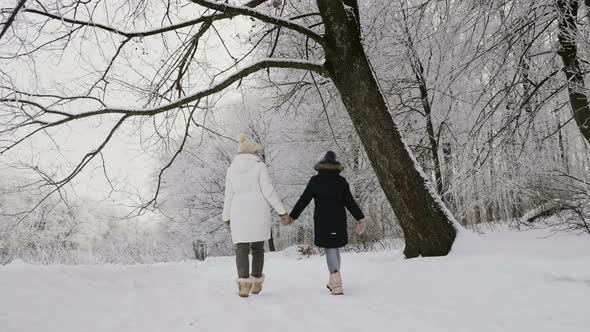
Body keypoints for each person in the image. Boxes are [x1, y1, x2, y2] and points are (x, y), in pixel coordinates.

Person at [288, 151, 368, 295]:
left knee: (330, 248)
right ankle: (333, 281)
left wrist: (293, 216)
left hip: (323, 221)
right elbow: (350, 202)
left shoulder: (315, 181)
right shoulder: (341, 181)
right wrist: (360, 218)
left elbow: (304, 200)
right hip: (338, 219)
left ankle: (336, 283)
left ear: (321, 164)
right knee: (335, 248)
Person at [222, 133, 290, 298]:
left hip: (238, 211)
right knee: (258, 248)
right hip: (258, 210)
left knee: (242, 248)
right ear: (253, 152)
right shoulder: (259, 166)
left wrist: (226, 216)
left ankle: (244, 286)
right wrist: (282, 211)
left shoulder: (231, 169)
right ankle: (257, 283)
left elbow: (228, 195)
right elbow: (268, 191)